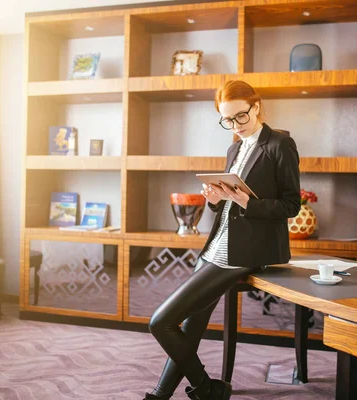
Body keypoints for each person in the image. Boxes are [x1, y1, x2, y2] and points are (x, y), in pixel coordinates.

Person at [144, 80, 301, 400]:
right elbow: (227, 202)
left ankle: (206, 388)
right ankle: (166, 395)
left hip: (244, 252)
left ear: (255, 106)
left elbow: (291, 205)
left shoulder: (280, 145)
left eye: (240, 117)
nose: (235, 126)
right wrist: (215, 197)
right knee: (188, 328)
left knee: (160, 322)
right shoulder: (234, 148)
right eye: (227, 120)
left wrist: (247, 203)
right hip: (215, 246)